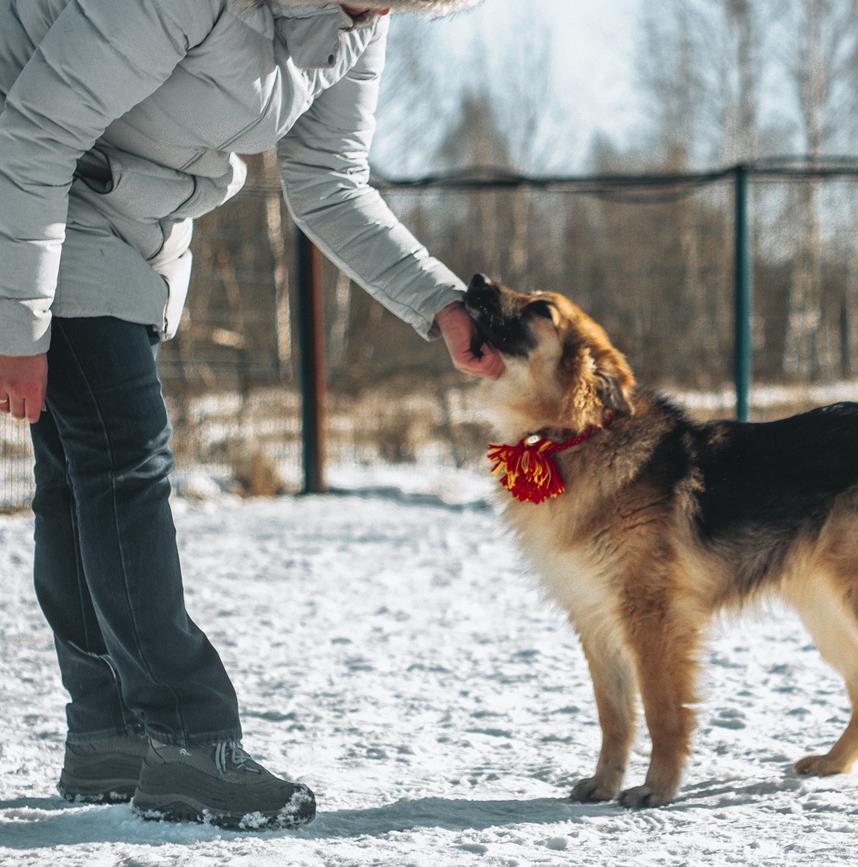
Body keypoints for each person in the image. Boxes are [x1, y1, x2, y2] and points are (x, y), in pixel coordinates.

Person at [0, 0, 501, 830]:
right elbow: (35, 128)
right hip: (30, 192)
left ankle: (109, 731)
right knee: (125, 461)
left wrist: (439, 302)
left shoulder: (353, 28)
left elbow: (328, 184)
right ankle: (188, 738)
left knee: (82, 475)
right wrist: (15, 325)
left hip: (123, 218)